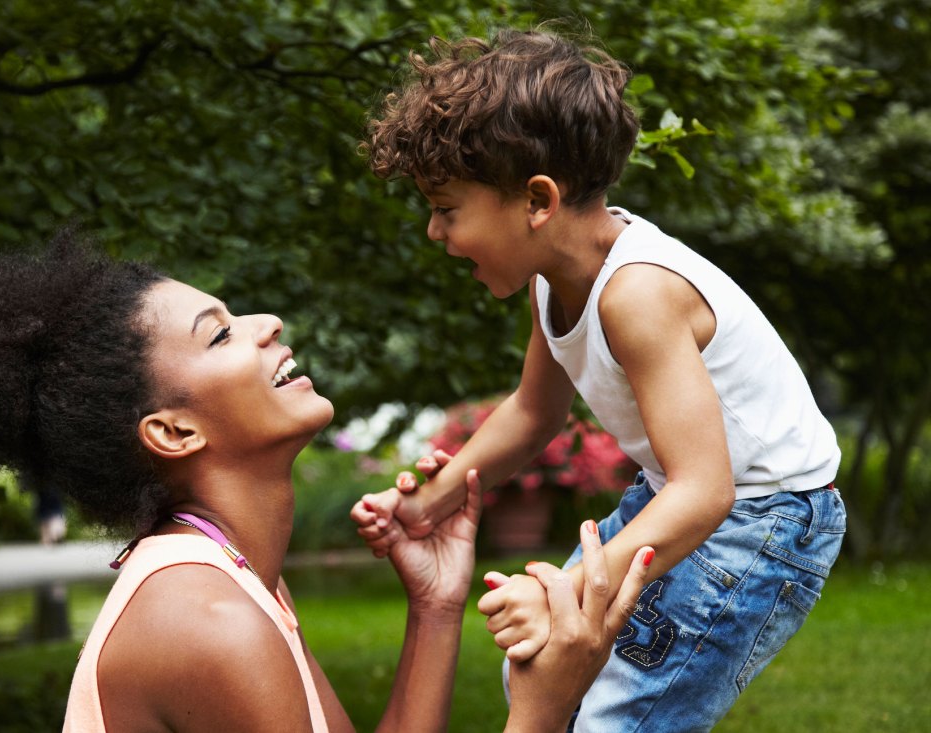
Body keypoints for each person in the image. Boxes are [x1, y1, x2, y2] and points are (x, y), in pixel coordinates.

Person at [0, 234, 651, 732]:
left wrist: (434, 606)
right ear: (174, 432)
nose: (266, 322)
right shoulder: (207, 622)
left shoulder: (235, 579)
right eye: (219, 333)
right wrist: (543, 707)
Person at [352, 27, 847, 731]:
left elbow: (707, 489)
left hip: (762, 521)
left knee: (618, 718)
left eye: (446, 209)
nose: (435, 231)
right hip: (678, 498)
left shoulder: (638, 293)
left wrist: (565, 587)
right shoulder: (553, 283)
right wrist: (428, 502)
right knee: (538, 666)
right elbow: (533, 413)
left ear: (538, 200)